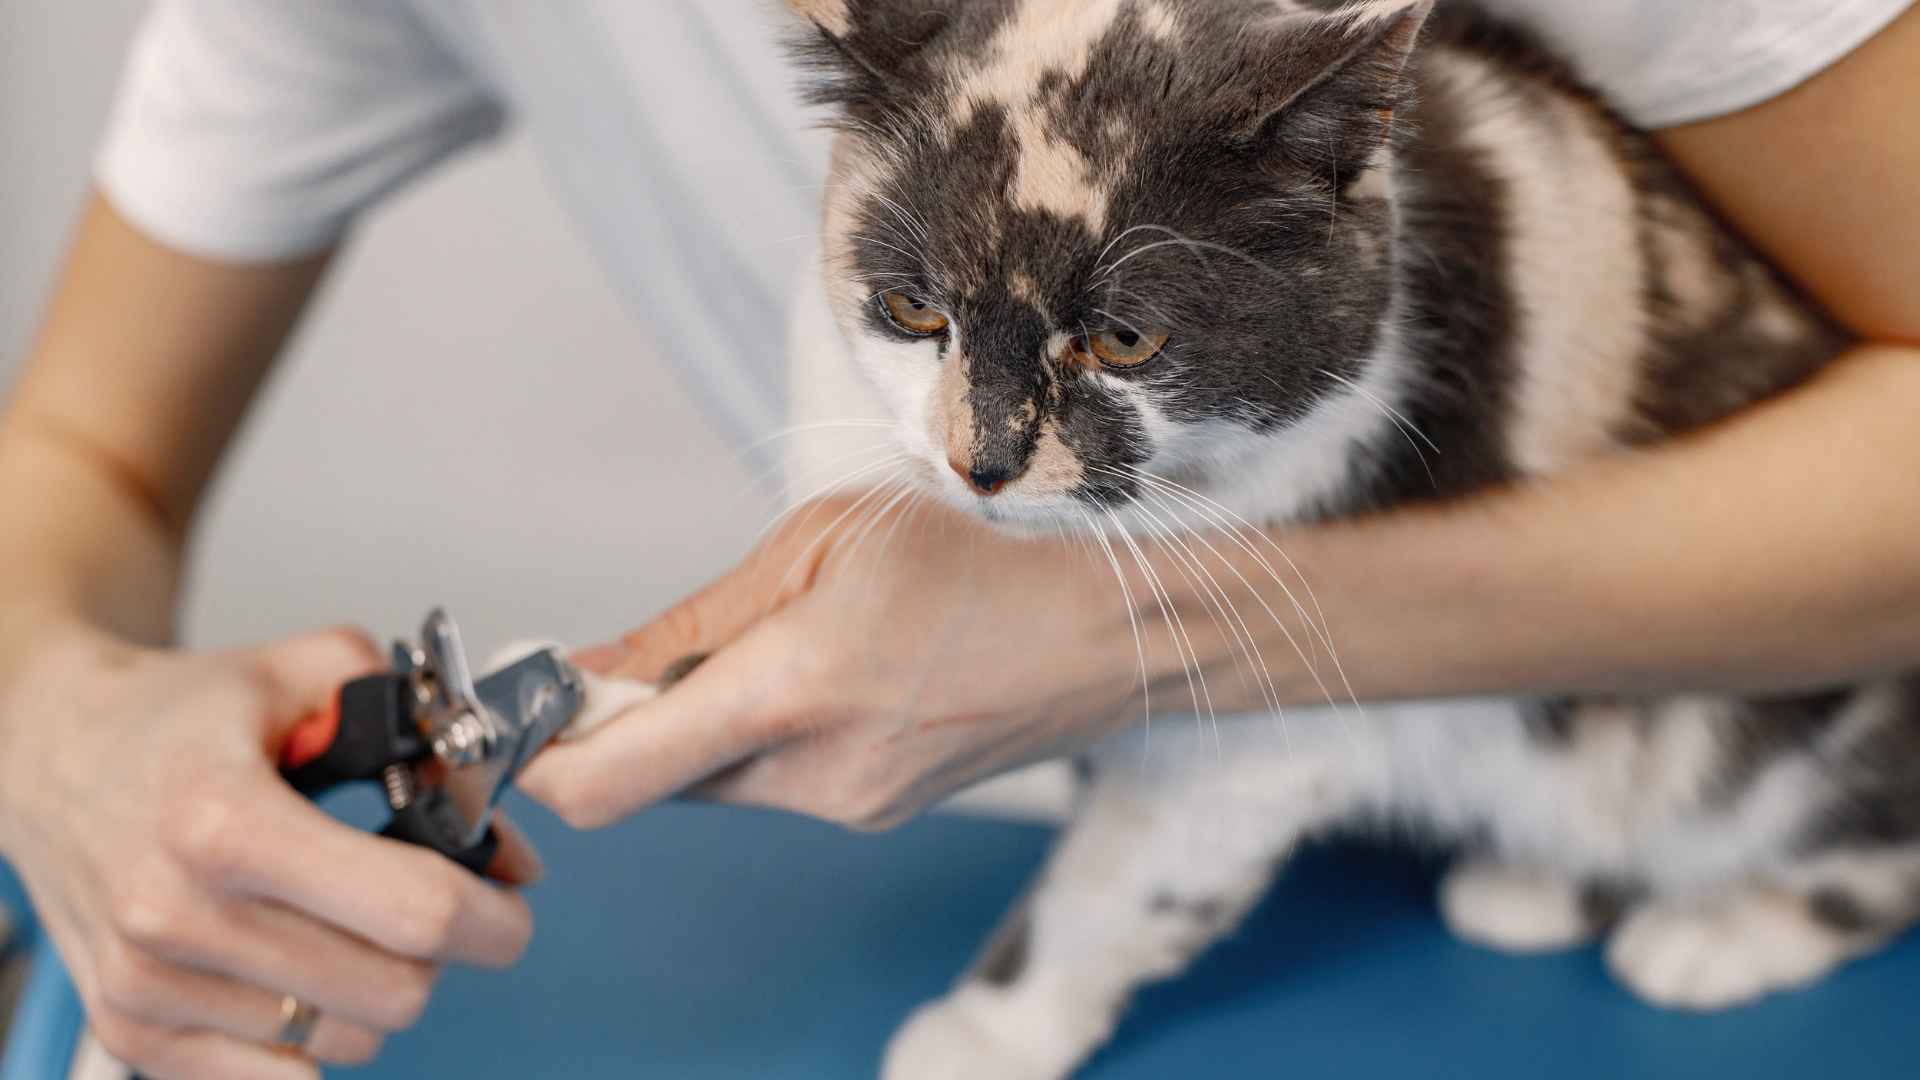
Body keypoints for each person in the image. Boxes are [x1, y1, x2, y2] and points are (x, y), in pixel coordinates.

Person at [0, 1, 1914, 1078]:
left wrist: (1172, 645)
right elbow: (83, 444)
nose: (974, 459)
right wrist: (57, 726)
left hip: (1720, 744)